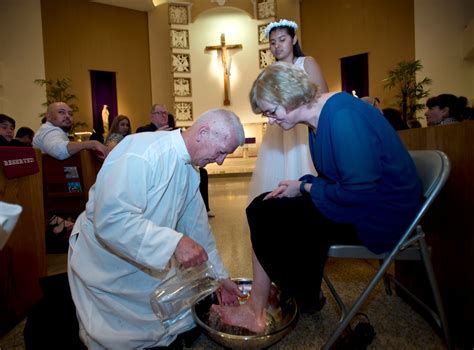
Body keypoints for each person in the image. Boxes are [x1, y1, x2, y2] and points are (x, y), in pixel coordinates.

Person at [211, 62, 421, 333]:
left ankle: (294, 295)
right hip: (364, 202)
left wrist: (305, 188)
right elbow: (341, 178)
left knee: (273, 216)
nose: (271, 121)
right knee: (263, 205)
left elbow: (360, 193)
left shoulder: (343, 115)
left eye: (272, 112)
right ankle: (274, 300)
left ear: (290, 95)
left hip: (382, 215)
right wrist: (301, 185)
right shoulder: (317, 120)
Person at [68, 108, 246, 349]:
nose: (220, 160)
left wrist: (220, 276)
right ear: (203, 132)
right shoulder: (140, 152)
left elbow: (198, 230)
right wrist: (173, 242)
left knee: (171, 318)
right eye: (222, 151)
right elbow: (111, 219)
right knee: (118, 337)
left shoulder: (190, 170)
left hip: (146, 252)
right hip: (106, 260)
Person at [248, 19, 329, 203]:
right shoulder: (270, 71)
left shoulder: (306, 63)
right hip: (280, 131)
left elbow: (322, 96)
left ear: (293, 40)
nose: (277, 46)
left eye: (282, 39)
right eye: (273, 42)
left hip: (304, 129)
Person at [32, 102, 108, 160]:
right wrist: (92, 143)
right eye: (61, 112)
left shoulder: (53, 130)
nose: (68, 116)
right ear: (48, 116)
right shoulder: (50, 130)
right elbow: (59, 151)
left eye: (70, 114)